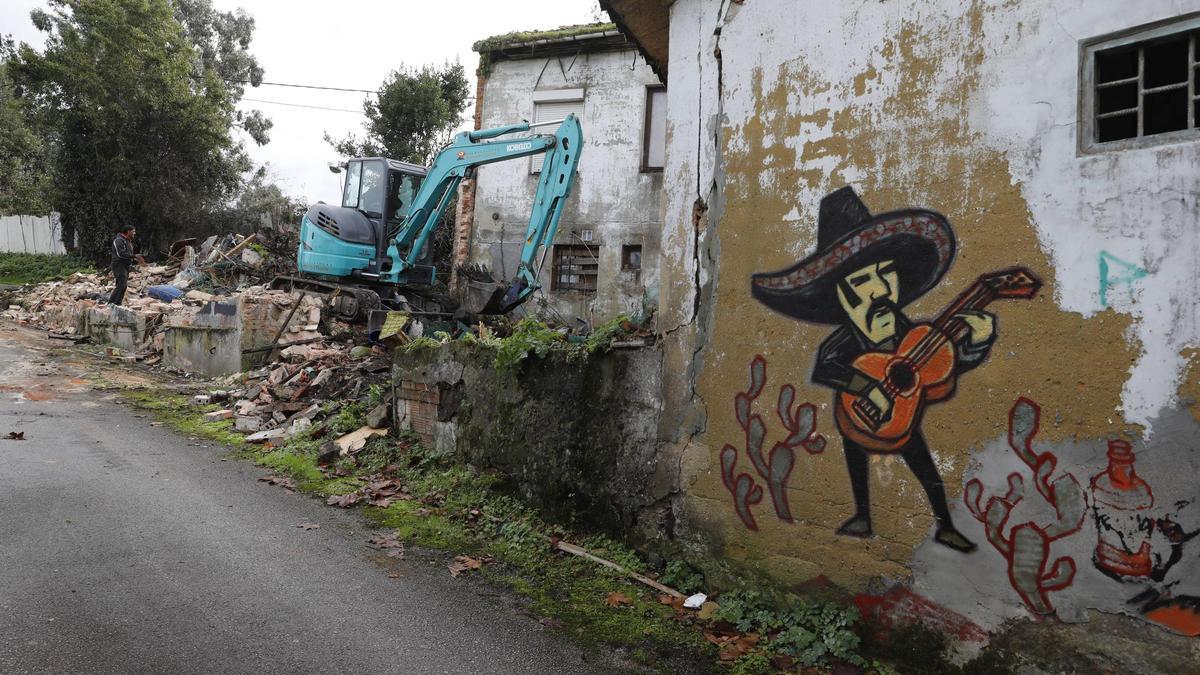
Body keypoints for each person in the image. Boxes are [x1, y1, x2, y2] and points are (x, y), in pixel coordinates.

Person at [751, 186, 997, 553]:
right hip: (854, 415)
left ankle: (945, 525)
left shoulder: (911, 333)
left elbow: (945, 367)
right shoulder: (845, 340)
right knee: (855, 457)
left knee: (924, 466)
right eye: (862, 283)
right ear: (840, 296)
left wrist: (977, 342)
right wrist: (866, 387)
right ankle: (862, 515)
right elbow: (824, 368)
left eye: (885, 274)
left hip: (902, 421)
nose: (879, 290)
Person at [108, 225, 141, 305]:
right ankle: (111, 304)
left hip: (125, 266)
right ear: (128, 231)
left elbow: (127, 254)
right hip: (118, 265)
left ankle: (117, 303)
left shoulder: (127, 241)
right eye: (133, 231)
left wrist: (134, 259)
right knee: (121, 285)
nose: (134, 233)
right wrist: (134, 256)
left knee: (124, 286)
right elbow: (120, 254)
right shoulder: (119, 240)